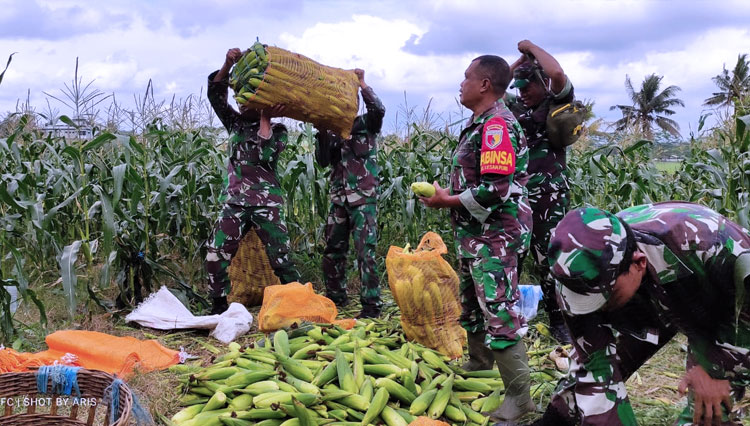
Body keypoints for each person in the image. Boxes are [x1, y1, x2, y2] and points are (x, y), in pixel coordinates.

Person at [527, 202, 750, 426]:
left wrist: (714, 366)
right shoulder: (575, 274)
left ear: (638, 263)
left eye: (605, 298)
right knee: (588, 379)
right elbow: (597, 368)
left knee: (710, 405)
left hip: (726, 308)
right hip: (643, 298)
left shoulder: (712, 245)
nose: (594, 310)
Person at [419, 55, 534, 421]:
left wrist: (446, 201)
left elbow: (496, 189)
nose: (461, 83)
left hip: (496, 236)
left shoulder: (496, 125)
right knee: (472, 303)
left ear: (484, 85)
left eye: (467, 77)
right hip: (476, 235)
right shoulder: (480, 122)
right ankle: (479, 363)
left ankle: (520, 399)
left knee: (499, 310)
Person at [205, 47, 300, 314]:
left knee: (281, 259)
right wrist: (226, 64)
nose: (241, 103)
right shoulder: (234, 123)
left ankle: (300, 299)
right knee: (216, 252)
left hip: (266, 203)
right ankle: (218, 306)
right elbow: (215, 93)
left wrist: (266, 117)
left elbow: (262, 154)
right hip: (234, 202)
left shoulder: (278, 131)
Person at [507, 40, 576, 344]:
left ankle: (558, 320)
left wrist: (531, 48)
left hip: (549, 196)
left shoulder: (556, 102)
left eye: (528, 86)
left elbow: (557, 72)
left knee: (550, 260)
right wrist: (518, 62)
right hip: (516, 196)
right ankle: (507, 318)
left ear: (542, 83)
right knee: (512, 257)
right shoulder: (514, 107)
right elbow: (495, 86)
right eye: (519, 87)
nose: (522, 92)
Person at [314, 69, 385, 319]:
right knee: (333, 249)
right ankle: (336, 297)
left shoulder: (367, 123)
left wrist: (363, 83)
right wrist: (321, 132)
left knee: (365, 251)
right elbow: (323, 161)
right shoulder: (332, 129)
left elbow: (379, 109)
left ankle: (371, 305)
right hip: (339, 199)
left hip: (363, 198)